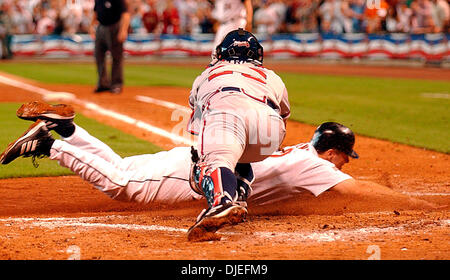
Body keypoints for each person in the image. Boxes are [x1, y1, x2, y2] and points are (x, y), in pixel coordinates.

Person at [0, 102, 440, 236]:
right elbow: (356, 192)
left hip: (194, 161)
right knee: (122, 186)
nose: (344, 164)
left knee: (121, 166)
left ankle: (68, 130)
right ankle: (53, 146)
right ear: (334, 152)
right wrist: (416, 203)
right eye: (345, 156)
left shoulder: (301, 152)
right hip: (191, 177)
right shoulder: (315, 166)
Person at [186, 28, 290, 239]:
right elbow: (284, 113)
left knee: (208, 163)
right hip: (270, 130)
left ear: (222, 52)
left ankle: (222, 201)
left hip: (227, 110)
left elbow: (195, 113)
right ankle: (239, 195)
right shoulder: (271, 76)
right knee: (240, 151)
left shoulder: (207, 74)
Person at [89, 0, 130, 94]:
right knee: (98, 55)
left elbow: (126, 14)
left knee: (116, 57)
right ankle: (103, 84)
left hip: (115, 26)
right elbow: (95, 12)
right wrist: (91, 26)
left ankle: (116, 85)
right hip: (101, 27)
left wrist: (123, 30)